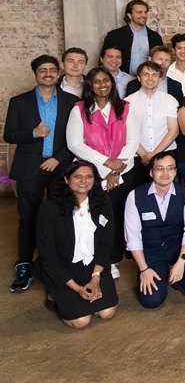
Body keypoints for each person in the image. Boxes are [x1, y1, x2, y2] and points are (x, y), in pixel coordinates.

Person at [5, 55, 78, 293]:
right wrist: (34, 133)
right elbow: (10, 134)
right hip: (29, 167)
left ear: (58, 73)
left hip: (60, 168)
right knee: (28, 217)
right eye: (42, 70)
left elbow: (76, 138)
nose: (48, 73)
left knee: (61, 217)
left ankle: (56, 265)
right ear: (35, 73)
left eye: (52, 70)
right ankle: (25, 265)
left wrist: (59, 159)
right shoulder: (19, 102)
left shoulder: (71, 101)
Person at [66, 66, 140, 278]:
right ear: (90, 86)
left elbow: (133, 141)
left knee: (114, 217)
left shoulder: (126, 108)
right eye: (96, 81)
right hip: (88, 174)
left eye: (106, 80)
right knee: (89, 216)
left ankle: (110, 260)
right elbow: (75, 144)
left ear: (112, 83)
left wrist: (116, 171)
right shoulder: (79, 109)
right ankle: (87, 257)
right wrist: (105, 163)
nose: (102, 85)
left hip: (123, 171)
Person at [36, 161, 118, 328]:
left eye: (89, 177)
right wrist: (76, 288)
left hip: (93, 267)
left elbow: (106, 243)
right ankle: (54, 293)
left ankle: (80, 296)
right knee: (81, 321)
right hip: (64, 268)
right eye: (77, 176)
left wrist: (95, 278)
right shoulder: (49, 208)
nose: (83, 181)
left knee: (107, 313)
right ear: (66, 179)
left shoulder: (103, 201)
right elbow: (48, 256)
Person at [124, 152, 185, 306]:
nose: (165, 173)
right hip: (151, 250)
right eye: (160, 168)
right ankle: (157, 275)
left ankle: (182, 281)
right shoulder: (135, 196)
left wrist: (181, 262)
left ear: (175, 172)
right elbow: (133, 237)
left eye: (170, 168)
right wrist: (144, 269)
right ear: (151, 172)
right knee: (152, 301)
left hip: (176, 245)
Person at [125, 61, 179, 187]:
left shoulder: (169, 100)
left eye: (154, 75)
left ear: (160, 78)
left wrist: (155, 154)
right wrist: (143, 154)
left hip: (165, 155)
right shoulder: (127, 102)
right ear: (139, 77)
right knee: (137, 192)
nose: (150, 78)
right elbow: (126, 131)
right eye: (146, 74)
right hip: (137, 157)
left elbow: (174, 130)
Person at [102, 0, 163, 76]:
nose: (144, 15)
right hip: (122, 81)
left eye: (145, 12)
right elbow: (104, 60)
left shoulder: (155, 37)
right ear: (129, 15)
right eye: (139, 12)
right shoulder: (115, 35)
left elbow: (161, 60)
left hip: (148, 81)